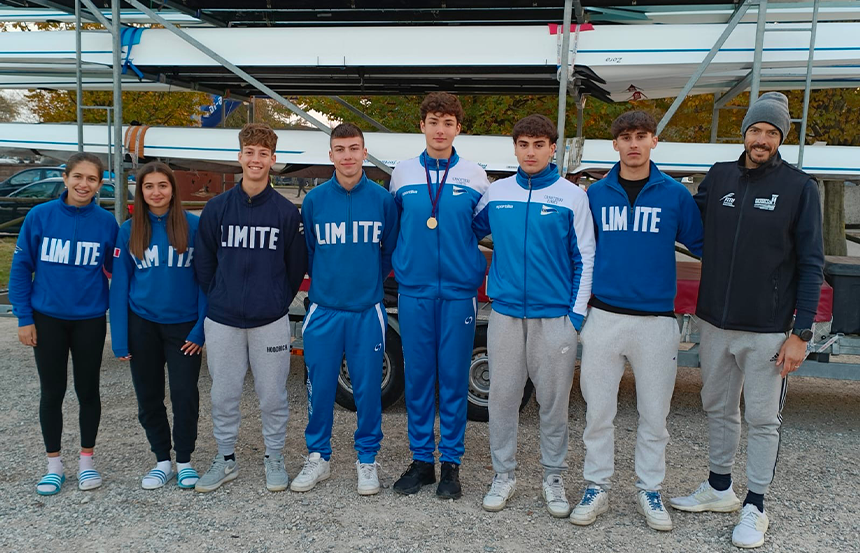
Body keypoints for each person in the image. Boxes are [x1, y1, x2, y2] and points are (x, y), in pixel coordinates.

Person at [669, 92, 824, 549]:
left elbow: (812, 264)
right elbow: (689, 227)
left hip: (769, 329)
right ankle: (720, 488)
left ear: (781, 139)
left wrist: (800, 333)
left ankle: (755, 505)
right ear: (745, 134)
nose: (761, 139)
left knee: (761, 418)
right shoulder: (719, 177)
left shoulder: (799, 187)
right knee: (717, 408)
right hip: (715, 321)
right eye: (756, 130)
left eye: (771, 133)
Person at [571, 111, 703, 531]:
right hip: (605, 316)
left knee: (654, 414)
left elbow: (704, 246)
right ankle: (597, 487)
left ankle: (649, 488)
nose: (633, 144)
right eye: (625, 137)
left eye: (640, 136)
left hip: (656, 322)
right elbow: (577, 250)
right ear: (614, 145)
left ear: (654, 141)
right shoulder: (596, 194)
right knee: (598, 411)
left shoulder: (675, 194)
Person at [473, 114, 595, 517]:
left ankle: (553, 477)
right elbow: (463, 233)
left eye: (539, 144)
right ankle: (503, 474)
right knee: (503, 399)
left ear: (552, 149)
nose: (530, 151)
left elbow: (584, 257)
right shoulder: (497, 192)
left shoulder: (572, 196)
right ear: (515, 147)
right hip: (506, 314)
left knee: (552, 402)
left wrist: (575, 317)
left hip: (554, 318)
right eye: (524, 144)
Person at [193, 123, 307, 493]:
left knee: (272, 395)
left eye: (263, 154)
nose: (255, 159)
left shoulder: (286, 213)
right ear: (239, 157)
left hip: (269, 320)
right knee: (223, 393)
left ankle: (274, 456)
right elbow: (204, 262)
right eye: (249, 152)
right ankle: (225, 458)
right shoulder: (216, 208)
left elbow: (294, 268)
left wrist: (274, 299)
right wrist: (220, 295)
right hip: (223, 319)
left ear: (273, 161)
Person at [389, 92, 490, 500]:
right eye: (433, 121)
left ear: (458, 128)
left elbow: (483, 227)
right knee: (417, 379)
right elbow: (394, 227)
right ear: (422, 126)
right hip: (414, 292)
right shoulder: (402, 173)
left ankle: (450, 464)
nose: (440, 129)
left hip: (457, 293)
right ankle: (420, 462)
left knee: (452, 379)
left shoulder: (474, 174)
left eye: (448, 122)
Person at [290, 123, 398, 496]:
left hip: (367, 309)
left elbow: (387, 253)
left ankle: (367, 460)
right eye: (341, 149)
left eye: (354, 148)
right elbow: (310, 254)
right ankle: (318, 456)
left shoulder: (383, 200)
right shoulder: (316, 201)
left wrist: (365, 282)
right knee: (320, 388)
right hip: (324, 310)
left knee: (367, 389)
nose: (348, 155)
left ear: (364, 153)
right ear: (331, 155)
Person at [9, 152, 119, 495]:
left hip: (88, 319)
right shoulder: (40, 216)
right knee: (52, 391)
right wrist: (24, 317)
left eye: (92, 179)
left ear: (100, 184)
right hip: (47, 319)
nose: (84, 185)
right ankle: (53, 464)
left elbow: (117, 271)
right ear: (66, 177)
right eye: (78, 177)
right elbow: (20, 269)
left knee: (88, 391)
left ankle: (87, 461)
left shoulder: (105, 223)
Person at [109, 162, 207, 490]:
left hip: (183, 329)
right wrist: (120, 339)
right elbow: (120, 285)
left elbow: (206, 282)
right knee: (149, 396)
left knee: (184, 395)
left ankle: (185, 460)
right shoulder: (129, 229)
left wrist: (199, 330)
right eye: (149, 186)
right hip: (143, 326)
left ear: (172, 189)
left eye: (162, 185)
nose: (156, 192)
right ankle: (162, 460)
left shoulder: (193, 226)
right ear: (141, 191)